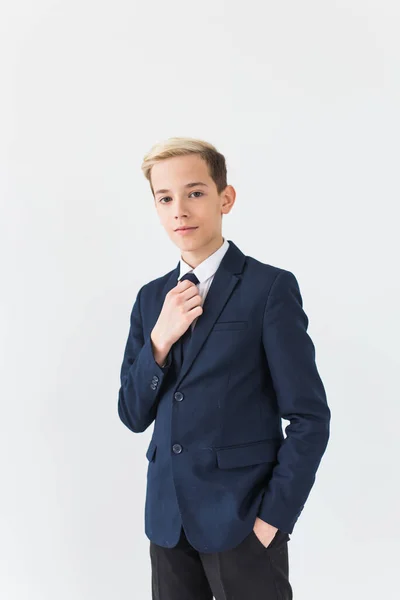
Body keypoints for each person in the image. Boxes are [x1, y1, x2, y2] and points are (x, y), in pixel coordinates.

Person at [117, 136, 331, 599]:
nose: (180, 210)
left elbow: (310, 418)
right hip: (168, 523)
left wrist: (272, 520)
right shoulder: (152, 299)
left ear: (224, 198)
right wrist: (159, 340)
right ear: (155, 209)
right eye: (165, 198)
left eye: (195, 193)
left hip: (243, 523)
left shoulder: (269, 288)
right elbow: (133, 415)